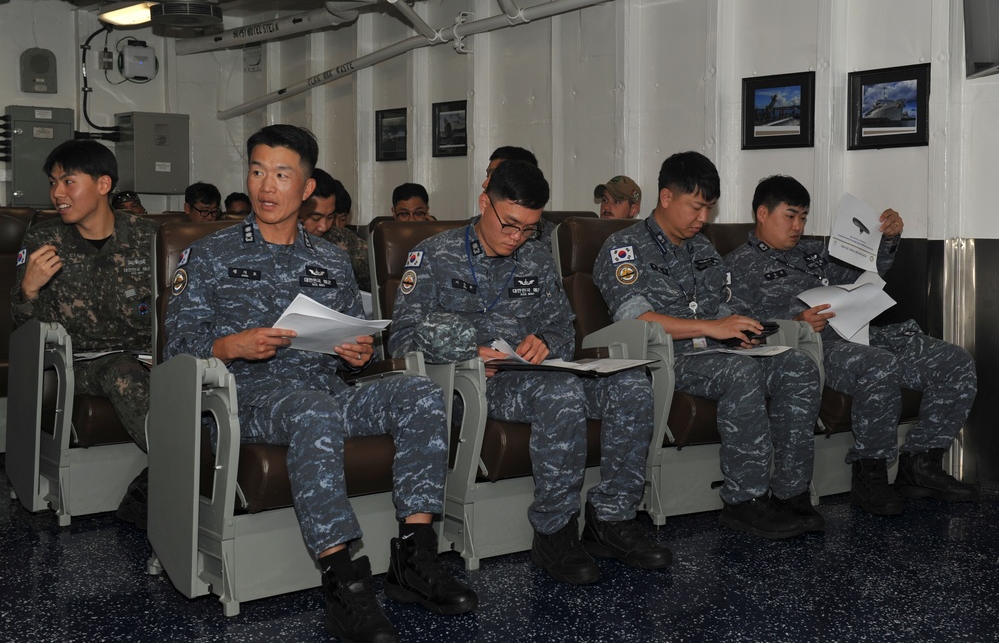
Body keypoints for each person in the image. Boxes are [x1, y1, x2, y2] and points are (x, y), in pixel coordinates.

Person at [164, 124, 476, 643]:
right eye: (258, 171)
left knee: (419, 392)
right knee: (313, 409)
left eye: (282, 174)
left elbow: (357, 347)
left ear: (306, 188)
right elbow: (176, 349)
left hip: (327, 391)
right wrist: (230, 345)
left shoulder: (330, 259)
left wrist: (358, 351)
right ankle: (345, 583)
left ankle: (415, 558)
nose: (267, 186)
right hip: (245, 398)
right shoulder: (211, 255)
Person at [389, 159, 671, 586]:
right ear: (485, 202)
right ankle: (554, 531)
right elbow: (402, 338)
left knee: (630, 386)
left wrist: (544, 340)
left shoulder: (535, 257)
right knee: (559, 395)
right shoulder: (433, 255)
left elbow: (563, 328)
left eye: (528, 228)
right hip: (473, 384)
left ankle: (611, 518)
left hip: (535, 372)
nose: (517, 237)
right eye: (510, 225)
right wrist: (466, 348)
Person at [593, 152, 822, 539]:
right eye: (696, 207)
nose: (703, 219)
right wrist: (713, 328)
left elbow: (726, 306)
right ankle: (744, 502)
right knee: (741, 371)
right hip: (666, 357)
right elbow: (637, 320)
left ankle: (789, 492)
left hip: (716, 351)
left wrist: (745, 330)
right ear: (666, 198)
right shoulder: (624, 248)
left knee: (798, 365)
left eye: (709, 209)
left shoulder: (702, 249)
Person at [723, 174, 979, 514]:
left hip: (862, 334)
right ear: (762, 213)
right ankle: (869, 473)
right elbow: (737, 332)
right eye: (790, 216)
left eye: (803, 217)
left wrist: (887, 238)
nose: (798, 226)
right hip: (813, 349)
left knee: (954, 360)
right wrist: (794, 324)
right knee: (877, 363)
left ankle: (921, 464)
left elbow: (867, 271)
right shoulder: (737, 266)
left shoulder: (814, 253)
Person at [12, 139, 157, 528]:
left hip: (151, 352)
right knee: (123, 374)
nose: (58, 193)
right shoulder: (42, 241)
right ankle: (185, 473)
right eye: (53, 183)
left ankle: (157, 481)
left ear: (104, 184)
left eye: (69, 181)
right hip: (80, 363)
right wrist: (29, 291)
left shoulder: (149, 238)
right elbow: (22, 329)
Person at [299, 168, 370, 292]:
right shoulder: (272, 241)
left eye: (330, 217)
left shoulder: (341, 239)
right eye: (316, 218)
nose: (324, 226)